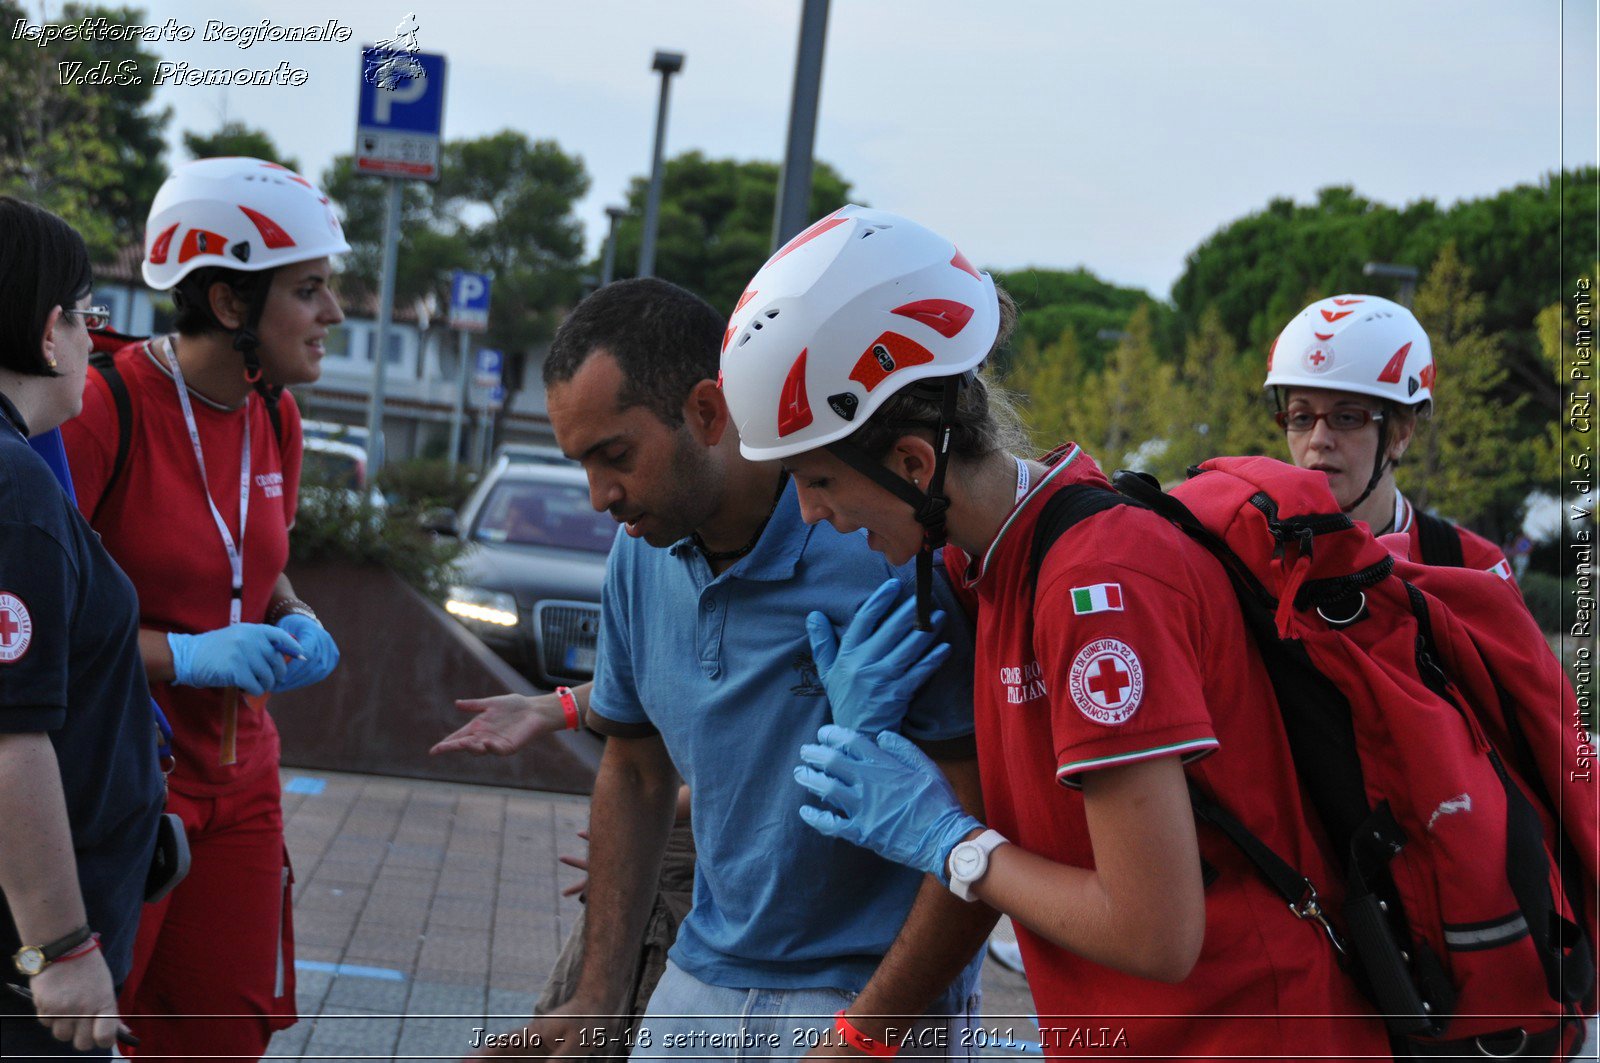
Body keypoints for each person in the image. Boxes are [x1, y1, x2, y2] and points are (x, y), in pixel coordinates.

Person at [718, 205, 1392, 1058]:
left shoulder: (1094, 583)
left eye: (816, 480)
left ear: (914, 464)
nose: (813, 515)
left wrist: (951, 842)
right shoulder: (995, 565)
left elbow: (1156, 932)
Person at [451, 277, 991, 1060]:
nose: (599, 494)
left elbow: (975, 826)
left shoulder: (881, 541)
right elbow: (634, 771)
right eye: (582, 463)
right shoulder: (637, 556)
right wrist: (596, 998)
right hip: (700, 976)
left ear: (707, 411)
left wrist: (867, 1035)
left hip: (869, 995)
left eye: (615, 454)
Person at [59, 157, 346, 1057]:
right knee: (84, 1036)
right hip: (125, 783)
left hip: (244, 780)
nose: (335, 314)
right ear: (228, 305)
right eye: (309, 289)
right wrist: (186, 656)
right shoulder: (103, 407)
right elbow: (39, 627)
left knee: (222, 1040)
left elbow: (261, 568)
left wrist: (294, 614)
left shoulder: (278, 415)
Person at [0, 197, 165, 1056]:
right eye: (87, 317)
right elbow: (7, 737)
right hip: (22, 969)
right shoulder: (13, 489)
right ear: (45, 330)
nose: (95, 344)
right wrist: (61, 949)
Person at [433, 684, 697, 1048]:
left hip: (697, 881)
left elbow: (763, 776)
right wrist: (550, 709)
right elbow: (647, 673)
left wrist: (630, 839)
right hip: (659, 869)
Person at [1264, 294, 1518, 584]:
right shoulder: (1253, 555)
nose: (1318, 440)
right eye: (1301, 418)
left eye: (1347, 417)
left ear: (1402, 433)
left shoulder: (1472, 566)